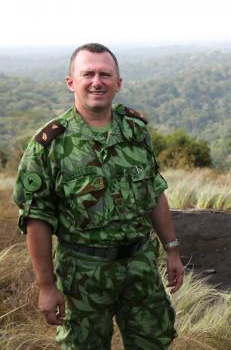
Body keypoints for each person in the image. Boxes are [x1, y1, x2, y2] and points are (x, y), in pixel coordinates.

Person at [13, 43, 184, 349]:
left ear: (118, 83)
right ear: (71, 82)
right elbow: (37, 220)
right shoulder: (50, 144)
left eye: (105, 74)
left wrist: (171, 249)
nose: (96, 81)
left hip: (141, 266)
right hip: (83, 274)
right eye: (87, 73)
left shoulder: (135, 131)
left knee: (154, 342)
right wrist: (46, 286)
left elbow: (155, 192)